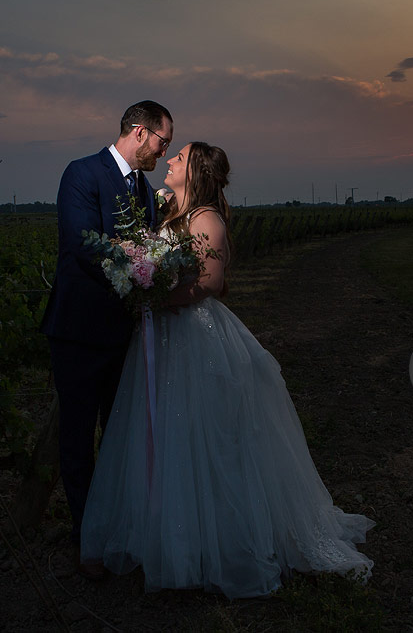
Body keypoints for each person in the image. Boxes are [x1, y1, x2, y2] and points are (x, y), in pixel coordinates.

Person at [80, 142, 373, 598]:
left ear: (195, 172)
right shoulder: (169, 214)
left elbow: (212, 283)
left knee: (204, 432)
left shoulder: (205, 219)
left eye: (179, 157)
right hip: (160, 337)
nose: (170, 161)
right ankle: (167, 534)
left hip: (194, 336)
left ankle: (216, 541)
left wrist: (158, 297)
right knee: (163, 433)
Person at [40, 100, 174, 576]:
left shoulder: (145, 190)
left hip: (124, 331)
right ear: (139, 132)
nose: (163, 152)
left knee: (119, 434)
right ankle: (86, 539)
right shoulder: (81, 173)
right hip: (79, 329)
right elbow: (82, 243)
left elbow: (149, 245)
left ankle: (118, 526)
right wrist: (136, 269)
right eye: (162, 142)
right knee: (77, 438)